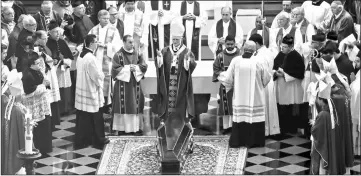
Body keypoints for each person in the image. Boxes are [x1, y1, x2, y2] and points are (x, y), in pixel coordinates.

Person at [218, 41, 271, 148]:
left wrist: (221, 75)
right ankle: (255, 142)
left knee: (240, 118)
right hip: (256, 98)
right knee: (254, 118)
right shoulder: (259, 61)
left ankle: (238, 141)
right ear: (255, 50)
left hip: (240, 98)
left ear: (243, 49)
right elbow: (266, 78)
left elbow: (228, 79)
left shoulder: (236, 61)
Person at [154, 19, 196, 149]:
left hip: (181, 86)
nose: (175, 42)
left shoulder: (187, 51)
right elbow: (159, 66)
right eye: (173, 39)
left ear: (182, 39)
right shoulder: (165, 50)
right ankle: (167, 133)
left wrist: (188, 62)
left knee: (181, 108)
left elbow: (192, 66)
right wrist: (159, 60)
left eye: (177, 40)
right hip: (167, 85)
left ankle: (183, 132)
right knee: (168, 106)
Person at [75, 34, 109, 149]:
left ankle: (84, 139)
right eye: (96, 42)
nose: (97, 44)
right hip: (90, 90)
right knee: (96, 116)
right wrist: (103, 76)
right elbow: (96, 75)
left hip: (82, 88)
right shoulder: (90, 58)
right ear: (91, 44)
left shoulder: (81, 55)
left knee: (84, 116)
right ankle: (99, 139)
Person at [112, 35, 148, 135]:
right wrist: (128, 69)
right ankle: (122, 128)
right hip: (122, 85)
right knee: (124, 104)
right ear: (124, 42)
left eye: (133, 42)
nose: (132, 44)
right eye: (130, 42)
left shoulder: (138, 53)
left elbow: (144, 66)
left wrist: (136, 68)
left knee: (135, 105)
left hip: (135, 84)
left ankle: (136, 127)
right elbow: (114, 70)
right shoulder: (118, 55)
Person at [88, 10, 122, 112]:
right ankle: (97, 103)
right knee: (96, 80)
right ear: (99, 18)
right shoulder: (93, 30)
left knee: (108, 82)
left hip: (107, 60)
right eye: (104, 18)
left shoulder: (114, 30)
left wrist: (107, 45)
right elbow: (88, 43)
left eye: (108, 18)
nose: (107, 20)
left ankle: (108, 104)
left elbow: (118, 45)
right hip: (96, 59)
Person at [1, 43, 26, 175]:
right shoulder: (4, 69)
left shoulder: (4, 68)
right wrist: (14, 70)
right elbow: (16, 94)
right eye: (3, 53)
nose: (5, 56)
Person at [21, 51, 52, 155]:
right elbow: (29, 92)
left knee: (45, 126)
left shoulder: (37, 70)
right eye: (37, 63)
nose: (40, 65)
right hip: (34, 107)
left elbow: (44, 80)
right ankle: (39, 149)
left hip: (42, 103)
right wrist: (43, 85)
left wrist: (45, 82)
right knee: (39, 129)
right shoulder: (27, 75)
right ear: (31, 65)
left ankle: (45, 149)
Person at [273, 35, 305, 134]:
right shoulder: (281, 54)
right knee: (282, 106)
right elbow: (275, 66)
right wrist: (276, 72)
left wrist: (284, 74)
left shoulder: (296, 56)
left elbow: (299, 72)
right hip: (282, 86)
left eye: (285, 47)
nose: (282, 49)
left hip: (292, 87)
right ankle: (283, 127)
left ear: (291, 47)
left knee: (289, 106)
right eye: (282, 47)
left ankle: (290, 128)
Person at [250, 34, 280, 136]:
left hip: (264, 82)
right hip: (264, 81)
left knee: (266, 106)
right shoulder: (262, 52)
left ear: (256, 43)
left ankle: (267, 130)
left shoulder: (263, 54)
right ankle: (267, 130)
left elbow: (264, 69)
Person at [212, 35, 240, 134]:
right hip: (225, 85)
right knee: (226, 106)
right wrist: (223, 76)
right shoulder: (220, 56)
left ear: (235, 43)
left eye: (232, 44)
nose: (230, 46)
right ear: (224, 44)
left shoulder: (240, 55)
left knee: (235, 105)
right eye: (228, 44)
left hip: (238, 85)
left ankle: (235, 126)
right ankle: (226, 126)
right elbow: (216, 69)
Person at [34, 30, 61, 130]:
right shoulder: (37, 50)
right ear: (38, 39)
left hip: (50, 74)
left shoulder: (44, 47)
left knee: (52, 99)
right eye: (44, 38)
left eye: (46, 38)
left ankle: (53, 122)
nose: (46, 40)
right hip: (45, 76)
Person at [47, 20, 74, 116]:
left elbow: (70, 57)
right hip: (54, 72)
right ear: (49, 32)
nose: (58, 34)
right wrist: (56, 62)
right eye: (55, 31)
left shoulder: (62, 41)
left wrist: (65, 61)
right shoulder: (47, 43)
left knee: (65, 90)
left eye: (59, 31)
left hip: (64, 70)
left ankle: (66, 109)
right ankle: (58, 111)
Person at [350, 51, 360, 156]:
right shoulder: (358, 72)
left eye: (357, 61)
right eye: (355, 61)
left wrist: (352, 81)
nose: (355, 63)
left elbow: (356, 89)